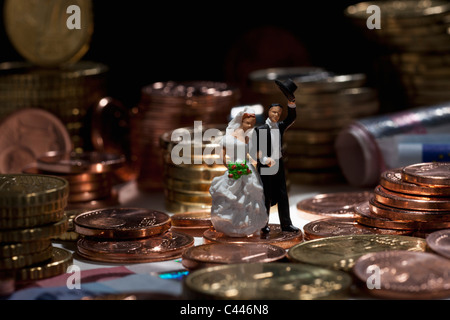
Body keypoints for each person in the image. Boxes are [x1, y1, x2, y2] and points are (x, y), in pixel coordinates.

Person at [209, 107, 268, 237]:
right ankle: (231, 223)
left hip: (246, 167)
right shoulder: (230, 136)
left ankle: (248, 224)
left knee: (251, 193)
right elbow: (222, 155)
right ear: (241, 121)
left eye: (252, 124)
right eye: (247, 123)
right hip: (235, 167)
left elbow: (251, 153)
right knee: (233, 193)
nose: (250, 126)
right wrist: (229, 165)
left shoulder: (248, 137)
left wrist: (263, 157)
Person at [254, 99, 300, 233]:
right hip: (266, 165)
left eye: (278, 113)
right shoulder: (261, 129)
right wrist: (264, 160)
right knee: (266, 195)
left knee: (282, 194)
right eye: (273, 112)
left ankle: (286, 224)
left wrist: (291, 103)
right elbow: (256, 150)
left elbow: (291, 118)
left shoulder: (279, 126)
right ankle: (263, 224)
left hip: (278, 163)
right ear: (268, 112)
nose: (276, 115)